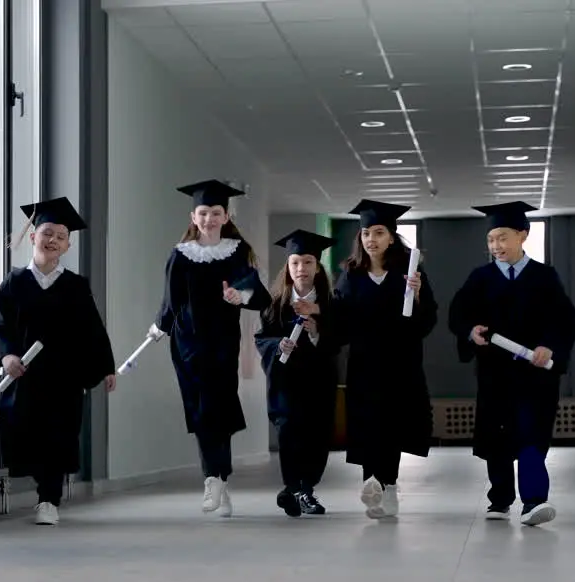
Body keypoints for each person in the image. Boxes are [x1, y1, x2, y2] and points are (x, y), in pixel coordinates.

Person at [0, 196, 117, 526]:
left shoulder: (75, 286)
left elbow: (93, 331)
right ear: (33, 236)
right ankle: (42, 491)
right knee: (25, 433)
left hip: (63, 378)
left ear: (68, 244)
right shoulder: (13, 283)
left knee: (58, 435)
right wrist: (7, 355)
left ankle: (48, 500)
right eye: (47, 232)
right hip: (25, 376)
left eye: (60, 236)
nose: (52, 240)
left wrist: (106, 366)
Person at [447, 201, 575, 526]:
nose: (496, 246)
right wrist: (471, 331)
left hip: (535, 376)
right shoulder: (480, 278)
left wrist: (550, 347)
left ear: (523, 235)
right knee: (498, 437)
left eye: (503, 238)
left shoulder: (544, 277)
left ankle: (534, 501)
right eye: (491, 239)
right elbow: (459, 314)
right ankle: (500, 498)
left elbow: (565, 319)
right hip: (495, 374)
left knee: (532, 435)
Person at [301, 199, 436, 519]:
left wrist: (417, 297)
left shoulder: (411, 274)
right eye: (365, 233)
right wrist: (318, 313)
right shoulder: (351, 275)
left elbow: (426, 322)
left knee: (393, 425)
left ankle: (388, 485)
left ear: (392, 236)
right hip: (365, 363)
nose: (371, 239)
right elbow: (341, 320)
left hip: (401, 363)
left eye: (378, 232)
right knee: (368, 424)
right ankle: (372, 484)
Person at [148, 179, 270, 517]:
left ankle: (220, 480)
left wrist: (239, 295)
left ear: (226, 215)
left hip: (223, 343)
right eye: (203, 213)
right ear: (193, 216)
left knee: (221, 410)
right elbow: (170, 301)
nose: (209, 219)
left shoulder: (237, 253)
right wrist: (159, 327)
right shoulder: (180, 255)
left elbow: (260, 296)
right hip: (187, 345)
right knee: (202, 410)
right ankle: (213, 479)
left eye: (216, 212)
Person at [254, 229, 340, 517]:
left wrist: (316, 330)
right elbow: (261, 338)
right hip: (285, 382)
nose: (301, 268)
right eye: (295, 263)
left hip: (319, 381)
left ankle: (303, 489)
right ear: (288, 268)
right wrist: (277, 344)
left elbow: (341, 339)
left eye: (307, 262)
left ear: (317, 266)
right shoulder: (275, 304)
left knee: (316, 436)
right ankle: (296, 488)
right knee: (290, 433)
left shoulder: (331, 303)